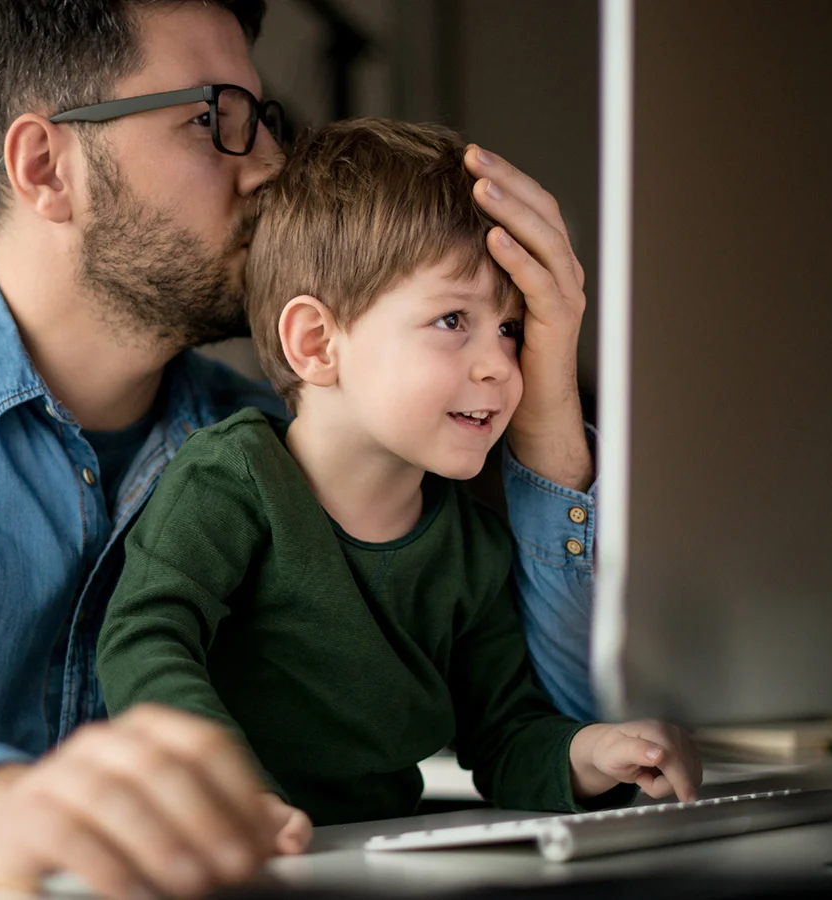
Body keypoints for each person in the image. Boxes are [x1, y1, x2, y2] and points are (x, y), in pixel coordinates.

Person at [0, 0, 602, 897]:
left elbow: (555, 717)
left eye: (265, 120)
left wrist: (548, 406)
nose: (265, 167)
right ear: (46, 166)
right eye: (213, 118)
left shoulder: (278, 449)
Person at [97, 119, 699, 833]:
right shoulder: (228, 480)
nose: (499, 367)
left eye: (509, 329)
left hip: (374, 857)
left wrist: (592, 752)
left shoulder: (471, 547)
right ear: (316, 343)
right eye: (452, 319)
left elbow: (504, 736)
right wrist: (226, 791)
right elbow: (143, 637)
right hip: (218, 854)